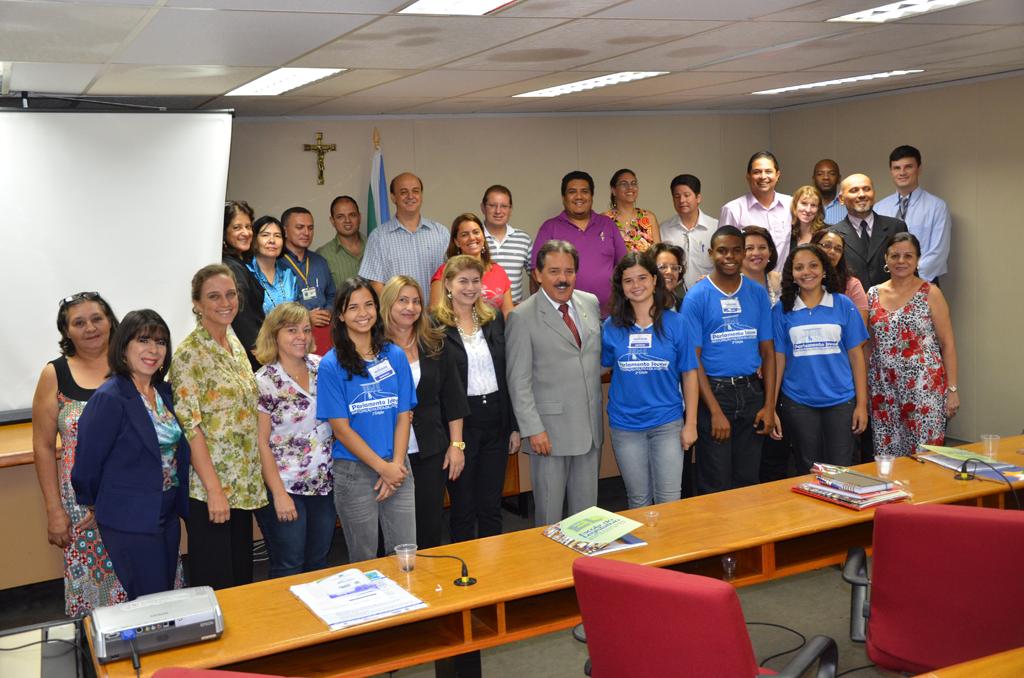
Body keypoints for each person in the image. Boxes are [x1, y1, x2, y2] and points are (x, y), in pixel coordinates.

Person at [72, 310, 189, 599]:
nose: (153, 350)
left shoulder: (165, 393)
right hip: (129, 517)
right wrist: (93, 503)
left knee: (163, 594)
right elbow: (87, 462)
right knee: (151, 602)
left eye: (161, 342)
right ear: (123, 347)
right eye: (144, 340)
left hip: (167, 512)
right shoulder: (110, 398)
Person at [31, 292, 127, 616]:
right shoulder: (54, 374)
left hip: (134, 501)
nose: (90, 328)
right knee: (97, 608)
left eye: (97, 319)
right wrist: (54, 511)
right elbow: (43, 447)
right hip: (81, 511)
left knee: (146, 596)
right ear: (67, 332)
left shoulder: (133, 363)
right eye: (79, 322)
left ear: (111, 321)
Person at [170, 264, 265, 589]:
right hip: (212, 490)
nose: (225, 302)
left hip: (243, 485)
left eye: (230, 294)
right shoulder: (188, 355)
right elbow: (190, 427)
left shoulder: (235, 344)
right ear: (197, 303)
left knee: (241, 581)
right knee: (219, 586)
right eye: (214, 296)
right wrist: (214, 492)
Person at [316, 278, 416, 562]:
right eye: (354, 307)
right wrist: (382, 468)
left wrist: (394, 466)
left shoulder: (394, 355)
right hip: (355, 472)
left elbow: (403, 415)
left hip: (398, 467)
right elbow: (341, 430)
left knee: (406, 555)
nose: (363, 313)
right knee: (364, 559)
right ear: (340, 315)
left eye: (369, 304)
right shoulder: (330, 365)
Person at [506, 241, 603, 526]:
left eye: (569, 271)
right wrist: (533, 429)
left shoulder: (590, 303)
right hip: (549, 435)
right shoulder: (521, 317)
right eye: (554, 271)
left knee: (588, 521)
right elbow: (518, 381)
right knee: (549, 519)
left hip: (590, 430)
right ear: (537, 274)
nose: (563, 278)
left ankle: (585, 569)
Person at [682, 226, 775, 495]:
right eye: (722, 251)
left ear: (744, 253)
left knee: (748, 480)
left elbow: (768, 352)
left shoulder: (757, 293)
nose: (729, 256)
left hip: (751, 394)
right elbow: (693, 361)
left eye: (736, 250)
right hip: (714, 394)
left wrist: (769, 405)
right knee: (716, 482)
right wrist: (714, 412)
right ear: (712, 254)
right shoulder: (696, 297)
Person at [602, 252, 698, 508]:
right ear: (621, 287)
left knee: (669, 500)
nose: (636, 286)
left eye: (642, 278)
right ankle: (646, 549)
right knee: (638, 500)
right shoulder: (611, 327)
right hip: (625, 426)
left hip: (667, 423)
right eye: (628, 281)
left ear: (655, 280)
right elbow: (599, 367)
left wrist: (691, 424)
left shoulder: (677, 323)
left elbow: (689, 374)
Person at [381, 276, 470, 549]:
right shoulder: (372, 348)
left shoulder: (435, 343)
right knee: (391, 532)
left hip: (430, 450)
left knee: (429, 527)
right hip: (385, 454)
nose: (410, 307)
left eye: (416, 301)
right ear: (388, 304)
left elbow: (453, 398)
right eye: (403, 300)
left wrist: (457, 445)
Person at [434, 256, 519, 540]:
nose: (470, 288)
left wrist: (513, 425)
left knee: (491, 505)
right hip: (460, 422)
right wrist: (452, 441)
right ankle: (467, 575)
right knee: (463, 506)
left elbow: (507, 372)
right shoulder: (436, 327)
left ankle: (495, 574)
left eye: (475, 281)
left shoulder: (493, 319)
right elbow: (439, 385)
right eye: (462, 281)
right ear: (448, 284)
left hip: (495, 417)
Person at [253, 302, 335, 578]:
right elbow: (261, 443)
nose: (301, 336)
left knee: (318, 562)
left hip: (324, 484)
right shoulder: (264, 381)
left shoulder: (321, 366)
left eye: (306, 330)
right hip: (286, 487)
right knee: (289, 565)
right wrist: (278, 494)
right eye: (292, 330)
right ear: (274, 334)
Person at [770, 245, 869, 472]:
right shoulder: (781, 311)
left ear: (824, 270)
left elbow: (857, 357)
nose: (807, 272)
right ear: (791, 274)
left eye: (813, 265)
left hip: (841, 402)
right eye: (799, 267)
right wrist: (771, 407)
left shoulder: (843, 305)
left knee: (842, 470)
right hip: (799, 403)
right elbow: (778, 360)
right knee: (808, 469)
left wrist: (862, 404)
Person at [867, 233, 959, 456]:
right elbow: (868, 345)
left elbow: (947, 344)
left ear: (917, 260)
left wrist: (952, 390)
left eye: (908, 256)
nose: (901, 261)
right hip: (883, 390)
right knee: (887, 457)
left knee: (925, 458)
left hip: (924, 390)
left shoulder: (931, 293)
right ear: (886, 259)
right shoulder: (872, 294)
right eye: (895, 255)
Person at [531, 170, 627, 318]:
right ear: (564, 197)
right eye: (572, 192)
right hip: (565, 319)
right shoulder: (550, 228)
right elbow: (536, 272)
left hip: (609, 317)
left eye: (584, 191)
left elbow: (624, 266)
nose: (579, 197)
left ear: (591, 196)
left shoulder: (607, 224)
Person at [358, 172, 449, 297]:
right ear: (393, 197)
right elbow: (375, 283)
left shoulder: (441, 233)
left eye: (415, 191)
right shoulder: (378, 237)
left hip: (436, 314)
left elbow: (453, 275)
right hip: (397, 315)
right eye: (404, 192)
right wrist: (394, 311)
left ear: (421, 195)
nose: (410, 196)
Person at [875, 145, 951, 284]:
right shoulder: (879, 208)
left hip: (924, 283)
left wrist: (909, 278)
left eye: (908, 167)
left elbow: (938, 253)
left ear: (919, 169)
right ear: (891, 171)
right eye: (897, 168)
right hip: (887, 285)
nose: (902, 172)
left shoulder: (936, 207)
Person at [832, 174, 909, 292]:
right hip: (851, 305)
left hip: (892, 303)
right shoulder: (832, 235)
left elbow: (909, 269)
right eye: (854, 190)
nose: (862, 194)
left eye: (867, 189)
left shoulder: (896, 227)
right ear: (841, 199)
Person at [429, 213, 513, 316]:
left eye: (476, 232)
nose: (472, 238)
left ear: (483, 236)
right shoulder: (444, 272)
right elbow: (436, 313)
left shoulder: (499, 271)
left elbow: (508, 316)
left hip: (495, 331)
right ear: (457, 242)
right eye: (464, 235)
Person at [719, 151, 793, 268]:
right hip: (746, 283)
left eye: (768, 171)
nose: (763, 176)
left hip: (783, 283)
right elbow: (724, 254)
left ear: (777, 175)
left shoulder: (790, 204)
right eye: (757, 172)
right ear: (748, 177)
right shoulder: (732, 210)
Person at [281, 206, 336, 355]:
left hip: (325, 335)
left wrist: (328, 311)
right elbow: (276, 308)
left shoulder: (320, 261)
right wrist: (306, 317)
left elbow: (332, 294)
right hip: (293, 338)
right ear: (285, 230)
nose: (306, 233)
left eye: (310, 228)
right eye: (300, 227)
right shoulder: (276, 264)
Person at [222, 201, 263, 370]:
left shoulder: (239, 263)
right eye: (237, 227)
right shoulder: (230, 268)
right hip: (248, 356)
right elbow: (242, 317)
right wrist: (261, 355)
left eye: (248, 226)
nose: (245, 233)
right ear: (224, 232)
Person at [660, 174, 716, 292]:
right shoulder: (664, 229)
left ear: (698, 198)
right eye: (677, 196)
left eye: (687, 195)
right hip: (674, 296)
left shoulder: (715, 227)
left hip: (709, 292)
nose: (682, 200)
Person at [481, 185, 532, 305]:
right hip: (480, 315)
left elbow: (536, 277)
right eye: (492, 205)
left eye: (504, 206)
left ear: (510, 209)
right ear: (483, 208)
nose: (498, 211)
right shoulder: (473, 239)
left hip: (514, 314)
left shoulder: (523, 239)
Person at [811, 229, 868, 325]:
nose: (832, 251)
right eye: (826, 245)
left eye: (838, 249)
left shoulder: (851, 284)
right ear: (813, 247)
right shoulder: (800, 280)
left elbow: (859, 328)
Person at [248, 216, 298, 315]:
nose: (272, 240)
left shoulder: (289, 274)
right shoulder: (246, 273)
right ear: (254, 240)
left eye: (277, 236)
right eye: (265, 235)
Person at [603, 168, 661, 253]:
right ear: (614, 190)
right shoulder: (604, 219)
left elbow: (659, 255)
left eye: (634, 183)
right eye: (624, 184)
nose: (630, 187)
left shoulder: (649, 217)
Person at [317, 195, 365, 293]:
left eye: (352, 215)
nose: (347, 220)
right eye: (340, 217)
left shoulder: (376, 246)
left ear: (359, 217)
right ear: (332, 221)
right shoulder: (322, 255)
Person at [741, 225, 781, 306]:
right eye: (749, 248)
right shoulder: (728, 283)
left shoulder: (780, 281)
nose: (756, 253)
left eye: (762, 247)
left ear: (770, 252)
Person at [651, 242, 686, 310]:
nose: (669, 271)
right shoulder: (644, 309)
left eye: (674, 268)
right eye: (662, 267)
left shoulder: (683, 305)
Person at [813, 159, 847, 225]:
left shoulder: (849, 206)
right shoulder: (804, 207)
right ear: (814, 179)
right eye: (820, 174)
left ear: (839, 179)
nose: (826, 177)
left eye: (832, 174)